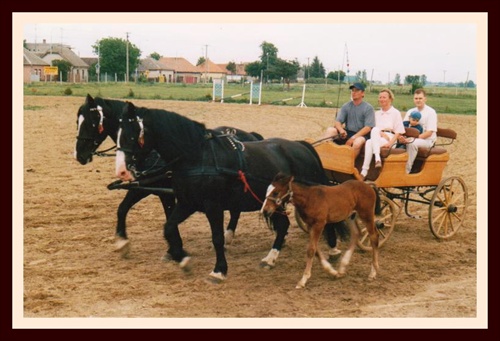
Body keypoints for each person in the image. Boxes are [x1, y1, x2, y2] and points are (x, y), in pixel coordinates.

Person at [360, 88, 405, 179]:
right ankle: (373, 162)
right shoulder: (376, 113)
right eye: (380, 97)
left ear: (390, 99)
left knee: (372, 138)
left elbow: (398, 132)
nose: (381, 99)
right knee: (371, 138)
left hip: (390, 137)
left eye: (384, 97)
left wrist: (390, 143)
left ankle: (365, 171)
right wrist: (380, 133)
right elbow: (373, 130)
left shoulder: (395, 113)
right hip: (378, 137)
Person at [322, 82, 375, 158]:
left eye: (357, 90)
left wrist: (353, 138)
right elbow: (338, 121)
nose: (354, 92)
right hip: (347, 133)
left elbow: (368, 128)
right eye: (353, 90)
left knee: (357, 142)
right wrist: (341, 130)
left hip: (361, 135)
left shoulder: (368, 108)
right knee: (330, 130)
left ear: (363, 93)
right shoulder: (346, 106)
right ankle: (325, 156)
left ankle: (347, 162)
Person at [398, 88, 437, 173]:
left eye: (420, 98)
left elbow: (429, 132)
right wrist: (402, 137)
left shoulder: (431, 112)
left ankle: (406, 171)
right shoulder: (410, 111)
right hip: (411, 138)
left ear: (425, 99)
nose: (418, 100)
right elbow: (403, 127)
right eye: (416, 98)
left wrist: (415, 138)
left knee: (412, 144)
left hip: (426, 140)